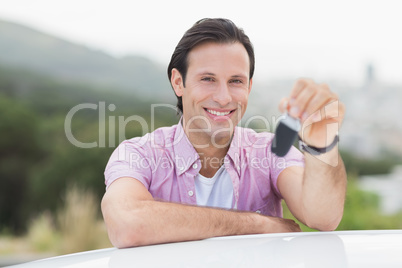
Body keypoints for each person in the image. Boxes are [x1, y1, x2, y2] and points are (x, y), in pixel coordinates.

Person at [101, 18, 347, 248]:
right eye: (208, 79)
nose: (223, 97)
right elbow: (127, 223)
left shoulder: (268, 151)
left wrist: (322, 145)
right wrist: (255, 224)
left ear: (249, 86)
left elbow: (323, 217)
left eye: (236, 81)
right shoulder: (139, 154)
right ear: (178, 82)